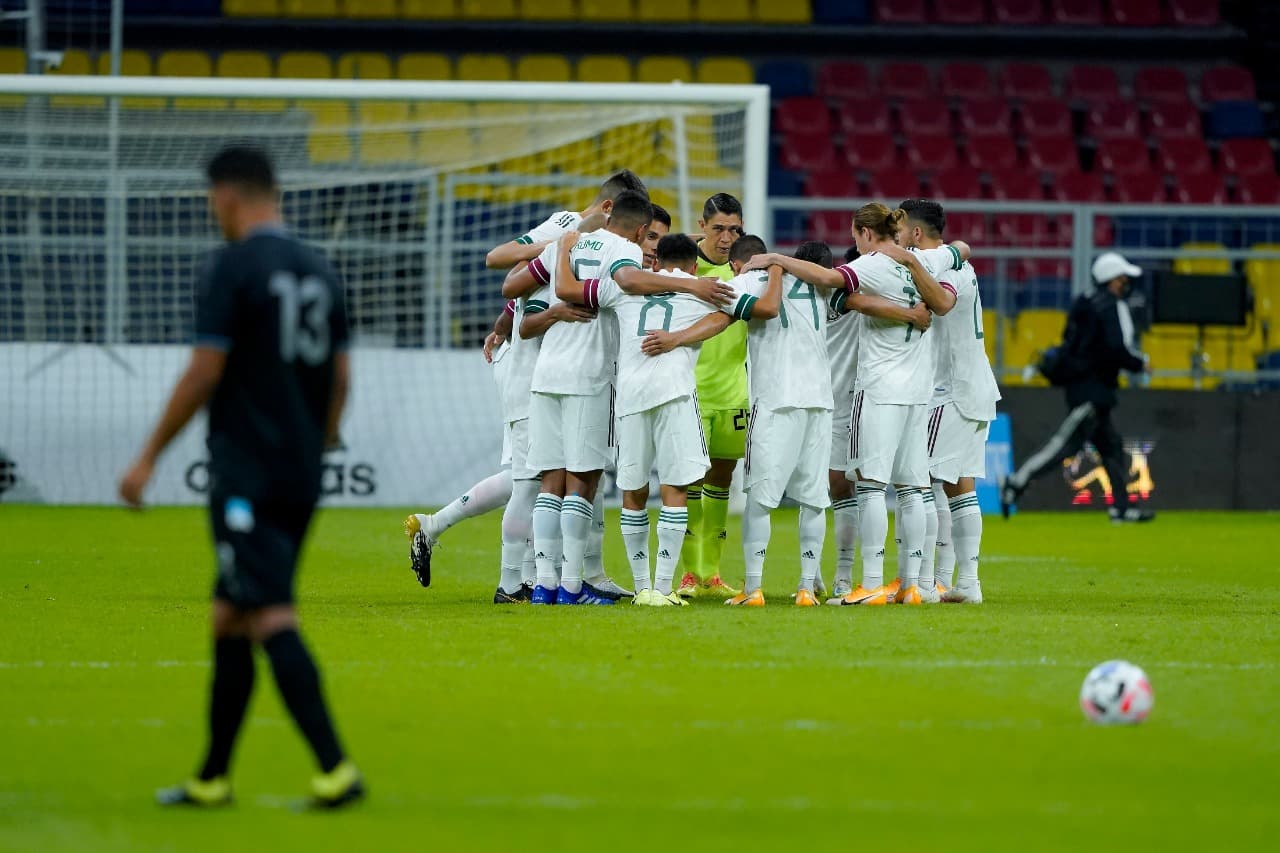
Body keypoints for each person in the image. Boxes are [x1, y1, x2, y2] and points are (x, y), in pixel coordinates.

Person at [118, 145, 362, 809]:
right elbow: (340, 377)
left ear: (225, 195)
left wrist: (147, 457)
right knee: (229, 614)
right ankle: (212, 777)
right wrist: (324, 436)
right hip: (302, 471)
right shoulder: (319, 267)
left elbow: (204, 370)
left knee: (268, 612)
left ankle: (336, 768)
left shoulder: (232, 267)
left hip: (247, 471)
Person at [742, 203, 960, 606]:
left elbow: (829, 279)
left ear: (863, 232)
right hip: (918, 390)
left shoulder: (873, 264)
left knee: (872, 486)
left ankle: (871, 583)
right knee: (913, 488)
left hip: (879, 387)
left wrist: (775, 258)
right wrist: (913, 284)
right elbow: (957, 256)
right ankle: (913, 584)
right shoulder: (922, 262)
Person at [560, 232, 723, 605]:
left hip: (631, 397)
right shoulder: (699, 287)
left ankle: (641, 587)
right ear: (694, 264)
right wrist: (679, 338)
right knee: (675, 489)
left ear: (654, 262)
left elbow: (568, 289)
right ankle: (665, 589)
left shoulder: (622, 287)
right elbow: (727, 317)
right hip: (675, 395)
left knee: (632, 491)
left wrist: (563, 250)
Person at [1001, 252, 1156, 524]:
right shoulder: (1109, 305)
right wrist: (1139, 364)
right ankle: (1016, 482)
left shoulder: (1084, 301)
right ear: (1111, 279)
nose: (1125, 283)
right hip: (1091, 391)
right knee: (1064, 446)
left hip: (1089, 386)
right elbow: (1115, 348)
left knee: (1111, 446)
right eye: (1122, 278)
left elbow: (1073, 343)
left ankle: (1122, 508)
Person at [896, 199, 1000, 604]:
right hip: (974, 386)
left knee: (920, 479)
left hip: (951, 391)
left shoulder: (943, 264)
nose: (898, 236)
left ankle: (922, 583)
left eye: (901, 229)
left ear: (916, 232)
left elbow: (942, 301)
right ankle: (967, 582)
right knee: (960, 486)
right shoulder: (954, 260)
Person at [677, 193, 748, 598]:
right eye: (718, 227)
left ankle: (713, 572)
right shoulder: (684, 266)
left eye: (734, 229)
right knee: (691, 478)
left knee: (722, 477)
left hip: (734, 392)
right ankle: (691, 571)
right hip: (693, 390)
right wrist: (692, 240)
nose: (726, 237)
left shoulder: (747, 266)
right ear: (702, 225)